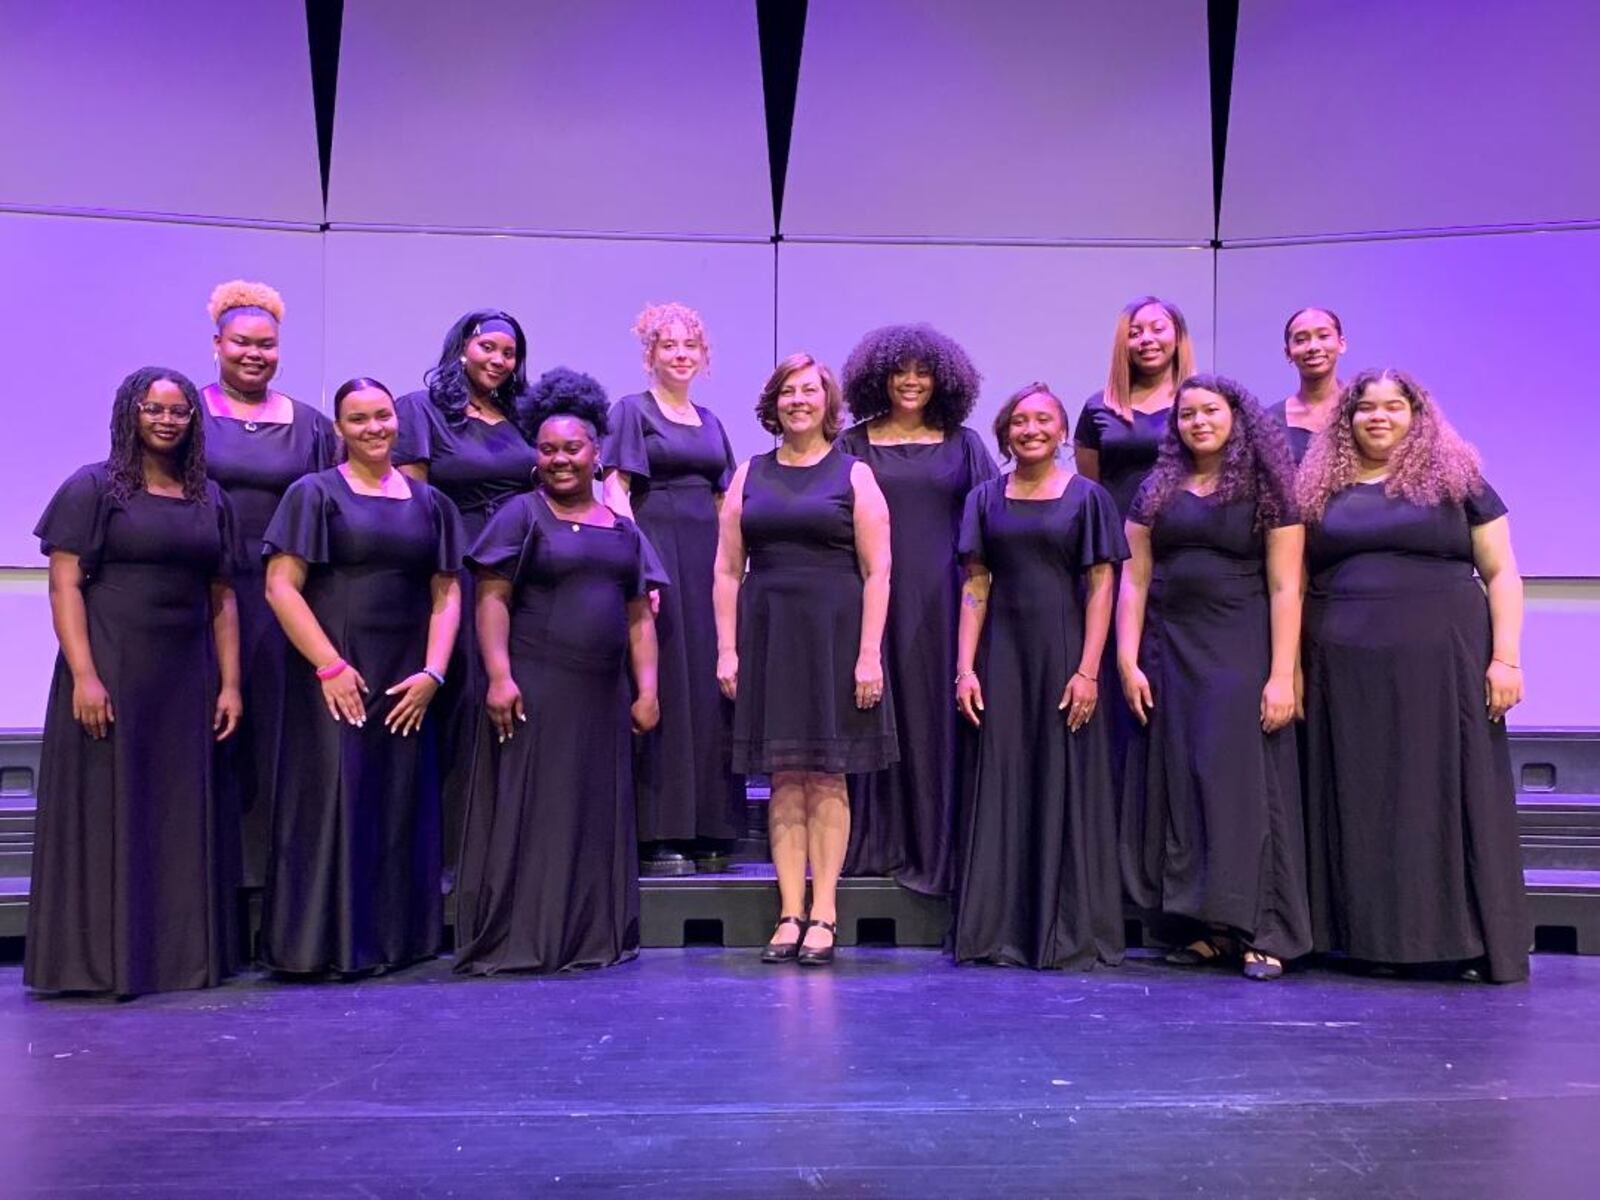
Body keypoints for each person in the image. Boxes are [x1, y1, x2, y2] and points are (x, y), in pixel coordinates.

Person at [1297, 368, 1530, 983]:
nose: (1378, 417)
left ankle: (1455, 939)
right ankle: (1358, 937)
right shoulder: (1319, 487)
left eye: (1393, 406)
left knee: (1438, 793)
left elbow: (1502, 572)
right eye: (1365, 408)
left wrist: (1505, 658)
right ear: (1346, 420)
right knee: (1360, 795)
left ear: (1416, 414)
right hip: (1343, 673)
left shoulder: (1458, 480)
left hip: (1442, 665)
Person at [26, 368, 242, 996]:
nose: (169, 421)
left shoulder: (209, 497)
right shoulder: (94, 487)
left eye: (180, 412)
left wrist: (229, 684)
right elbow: (65, 584)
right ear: (131, 412)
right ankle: (103, 960)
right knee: (112, 806)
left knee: (176, 812)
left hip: (185, 673)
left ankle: (175, 960)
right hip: (115, 663)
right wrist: (85, 675)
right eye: (155, 409)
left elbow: (223, 595)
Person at [454, 369, 662, 974]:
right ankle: (526, 937)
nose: (560, 459)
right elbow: (490, 598)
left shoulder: (623, 530)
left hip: (601, 694)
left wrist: (647, 689)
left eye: (572, 448)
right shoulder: (521, 515)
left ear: (596, 453)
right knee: (534, 811)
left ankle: (585, 935)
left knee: (589, 813)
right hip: (536, 687)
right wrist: (499, 675)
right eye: (547, 450)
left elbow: (638, 617)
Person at [260, 378, 463, 976]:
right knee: (336, 798)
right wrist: (329, 664)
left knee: (398, 800)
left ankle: (397, 943)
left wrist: (433, 671)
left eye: (382, 416)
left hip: (408, 675)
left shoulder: (431, 503)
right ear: (339, 429)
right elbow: (280, 587)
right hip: (337, 669)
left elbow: (446, 591)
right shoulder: (313, 493)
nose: (374, 428)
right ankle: (329, 947)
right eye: (358, 420)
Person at [1117, 375, 1309, 980]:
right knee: (1185, 776)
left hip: (1238, 642)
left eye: (1211, 411)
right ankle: (1204, 924)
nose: (1198, 422)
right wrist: (1126, 658)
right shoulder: (1157, 487)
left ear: (1237, 416)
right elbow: (1134, 577)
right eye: (1187, 414)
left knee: (1241, 783)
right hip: (1170, 646)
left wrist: (1282, 675)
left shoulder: (1268, 485)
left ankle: (1264, 926)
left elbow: (1285, 586)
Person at [715, 354, 895, 966]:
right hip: (770, 636)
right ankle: (789, 912)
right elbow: (725, 569)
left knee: (827, 774)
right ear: (774, 402)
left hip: (834, 640)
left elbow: (879, 573)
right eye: (788, 391)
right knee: (783, 779)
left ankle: (826, 913)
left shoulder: (855, 475)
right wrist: (727, 648)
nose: (799, 400)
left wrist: (869, 654)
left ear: (827, 402)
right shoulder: (747, 474)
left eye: (810, 391)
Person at [953, 384, 1126, 970]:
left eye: (1043, 420)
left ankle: (1065, 931)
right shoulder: (983, 498)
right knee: (1005, 781)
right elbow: (976, 586)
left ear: (1061, 432)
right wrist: (964, 670)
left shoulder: (1089, 497)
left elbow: (1103, 586)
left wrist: (1088, 670)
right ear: (1006, 433)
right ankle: (1001, 932)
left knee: (1064, 779)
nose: (1030, 429)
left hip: (1064, 653)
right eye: (1020, 421)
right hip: (1003, 655)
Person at [836, 323, 996, 895]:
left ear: (943, 380)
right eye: (899, 370)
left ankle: (936, 850)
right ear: (878, 377)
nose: (910, 381)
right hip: (869, 598)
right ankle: (875, 845)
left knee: (931, 720)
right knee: (873, 716)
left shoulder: (966, 444)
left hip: (943, 600)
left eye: (923, 371)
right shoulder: (852, 445)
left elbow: (988, 529)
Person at [200, 280, 336, 892]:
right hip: (206, 598)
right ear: (217, 345)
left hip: (286, 599)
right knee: (216, 731)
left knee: (283, 739)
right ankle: (213, 882)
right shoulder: (186, 412)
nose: (254, 354)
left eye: (267, 344)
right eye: (241, 343)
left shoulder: (310, 424)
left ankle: (277, 885)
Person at [394, 310, 535, 887]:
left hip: (522, 570)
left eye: (509, 352)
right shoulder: (421, 410)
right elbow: (410, 498)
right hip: (457, 568)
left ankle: (511, 851)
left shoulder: (523, 417)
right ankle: (453, 855)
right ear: (461, 348)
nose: (498, 360)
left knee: (517, 707)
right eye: (488, 347)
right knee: (463, 710)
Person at [601, 303, 742, 876]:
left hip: (708, 562)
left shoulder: (711, 422)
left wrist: (739, 570)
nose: (680, 354)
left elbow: (724, 501)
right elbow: (616, 493)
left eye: (690, 346)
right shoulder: (631, 412)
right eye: (668, 346)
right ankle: (660, 830)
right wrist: (641, 567)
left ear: (703, 356)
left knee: (710, 688)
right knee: (664, 684)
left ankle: (712, 823)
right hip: (658, 554)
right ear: (649, 354)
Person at [1074, 297, 1198, 789]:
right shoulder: (1097, 409)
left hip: (1184, 558)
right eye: (1136, 331)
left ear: (1177, 337)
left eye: (1157, 328)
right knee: (1119, 684)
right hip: (1118, 564)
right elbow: (1094, 490)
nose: (1147, 339)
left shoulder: (1200, 403)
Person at [1270, 307, 1347, 464]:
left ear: (1341, 344)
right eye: (1301, 340)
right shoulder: (1270, 421)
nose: (1313, 347)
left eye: (1323, 336)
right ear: (1288, 353)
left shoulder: (1362, 410)